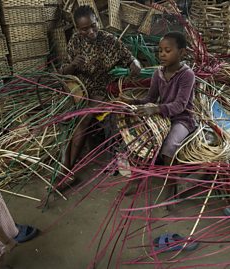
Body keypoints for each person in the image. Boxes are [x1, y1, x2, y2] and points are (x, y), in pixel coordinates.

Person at [59, 5, 141, 183]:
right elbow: (63, 70)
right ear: (77, 29)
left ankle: (69, 169)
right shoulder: (75, 41)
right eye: (84, 29)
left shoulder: (109, 40)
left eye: (93, 25)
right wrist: (73, 64)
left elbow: (130, 58)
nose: (90, 31)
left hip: (102, 91)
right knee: (73, 119)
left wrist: (135, 64)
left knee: (85, 117)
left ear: (97, 19)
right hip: (81, 90)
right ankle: (66, 169)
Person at [123, 31, 196, 207]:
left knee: (169, 146)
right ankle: (137, 177)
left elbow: (179, 105)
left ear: (181, 52)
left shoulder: (187, 75)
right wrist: (133, 103)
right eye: (160, 50)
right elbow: (150, 99)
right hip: (162, 116)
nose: (162, 54)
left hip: (182, 119)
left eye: (167, 50)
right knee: (138, 139)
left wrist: (156, 109)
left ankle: (172, 186)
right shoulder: (158, 74)